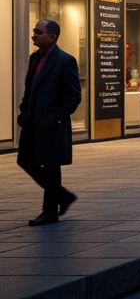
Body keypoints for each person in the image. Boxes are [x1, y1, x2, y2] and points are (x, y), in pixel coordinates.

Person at [17, 19, 81, 226]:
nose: (34, 35)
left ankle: (50, 211)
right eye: (34, 31)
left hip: (52, 122)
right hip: (32, 121)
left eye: (38, 32)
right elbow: (30, 89)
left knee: (51, 164)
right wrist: (24, 111)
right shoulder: (34, 58)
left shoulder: (64, 60)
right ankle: (63, 196)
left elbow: (74, 95)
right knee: (25, 160)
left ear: (52, 37)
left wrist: (57, 117)